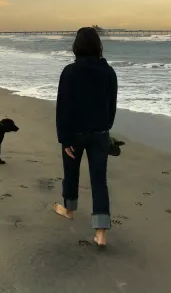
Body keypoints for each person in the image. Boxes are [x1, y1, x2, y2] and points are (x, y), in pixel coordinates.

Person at [54, 27, 118, 247]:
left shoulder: (70, 71)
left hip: (74, 133)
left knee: (70, 173)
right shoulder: (108, 72)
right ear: (98, 46)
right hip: (100, 132)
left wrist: (64, 138)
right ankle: (101, 233)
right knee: (99, 181)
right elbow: (112, 106)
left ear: (76, 47)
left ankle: (69, 209)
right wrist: (106, 127)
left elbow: (63, 107)